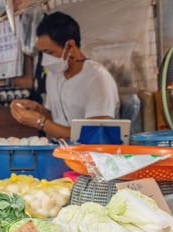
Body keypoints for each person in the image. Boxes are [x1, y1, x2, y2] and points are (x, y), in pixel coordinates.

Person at [10, 12, 119, 140]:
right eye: (42, 53)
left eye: (49, 52)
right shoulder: (53, 75)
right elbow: (55, 118)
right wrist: (37, 109)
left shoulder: (97, 79)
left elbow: (95, 134)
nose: (45, 59)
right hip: (61, 150)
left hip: (92, 156)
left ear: (70, 46)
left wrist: (40, 122)